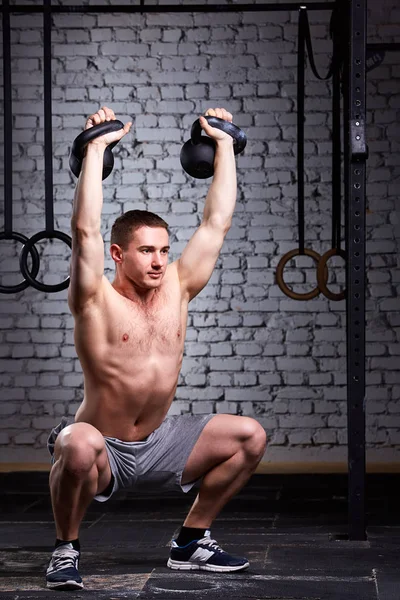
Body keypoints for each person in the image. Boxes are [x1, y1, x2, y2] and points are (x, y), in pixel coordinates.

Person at [45, 106, 267, 591]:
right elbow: (85, 230)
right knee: (76, 442)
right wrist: (96, 148)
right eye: (147, 251)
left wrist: (225, 145)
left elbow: (216, 223)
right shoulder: (94, 299)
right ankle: (66, 549)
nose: (160, 261)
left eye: (165, 250)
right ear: (119, 254)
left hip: (162, 443)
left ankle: (190, 541)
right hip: (104, 449)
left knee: (249, 435)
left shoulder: (179, 289)